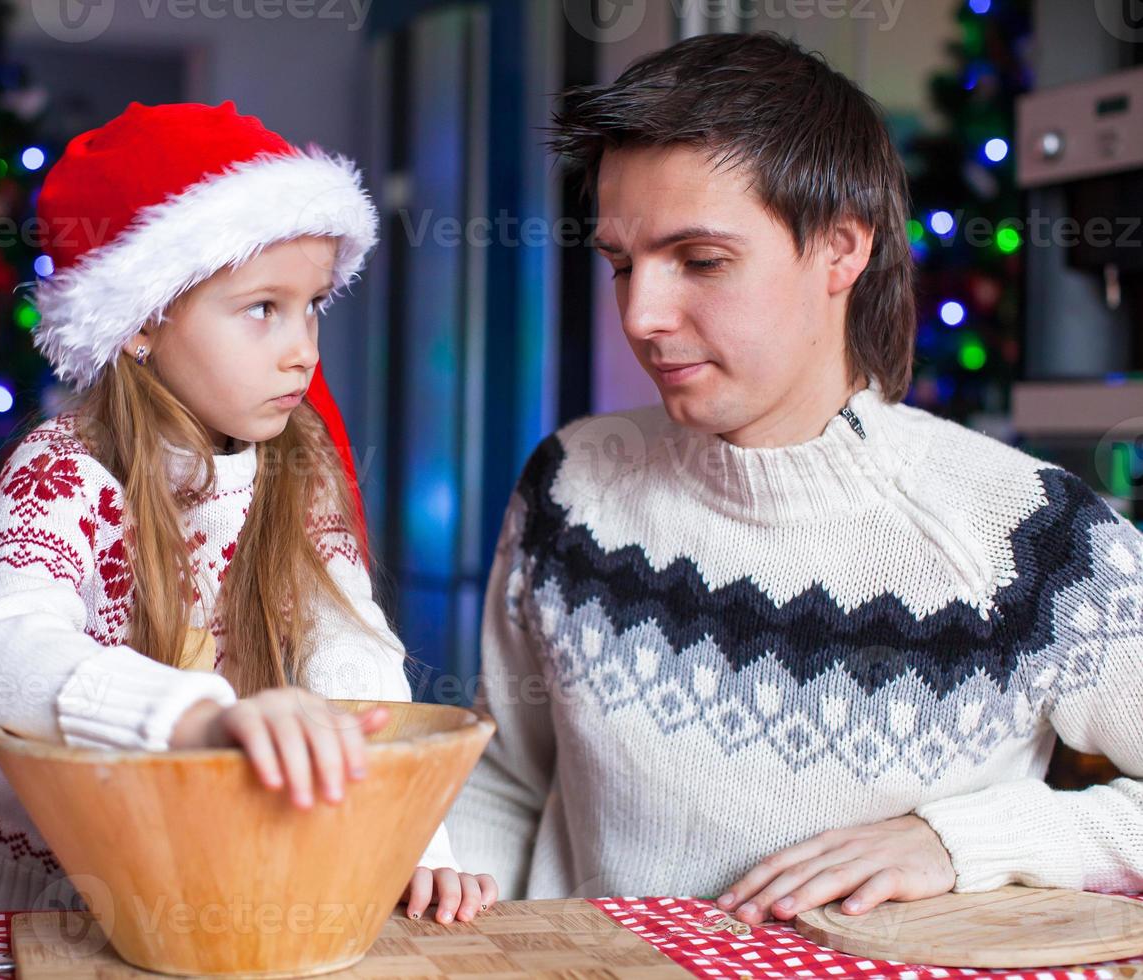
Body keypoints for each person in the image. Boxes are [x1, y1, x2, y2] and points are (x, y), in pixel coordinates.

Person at [447, 33, 1142, 923]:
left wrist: (966, 842)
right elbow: (508, 779)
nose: (643, 315)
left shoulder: (1026, 537)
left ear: (841, 251)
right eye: (623, 264)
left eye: (701, 260)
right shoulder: (569, 485)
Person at [0, 101, 497, 924]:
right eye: (263, 308)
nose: (305, 350)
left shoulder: (298, 466)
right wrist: (199, 721)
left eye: (313, 304)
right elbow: (9, 655)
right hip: (16, 905)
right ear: (145, 317)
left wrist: (408, 837)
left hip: (184, 884)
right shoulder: (62, 470)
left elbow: (347, 650)